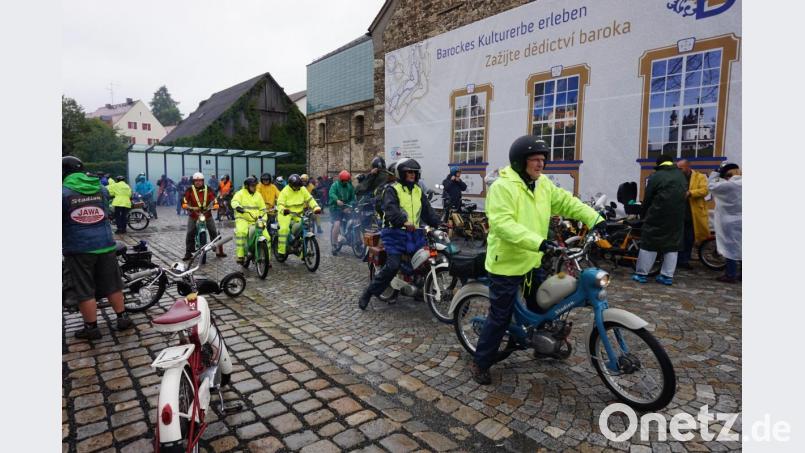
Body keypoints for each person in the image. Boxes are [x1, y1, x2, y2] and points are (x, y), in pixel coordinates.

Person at [469, 136, 605, 385]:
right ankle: (481, 362)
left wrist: (595, 219)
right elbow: (503, 225)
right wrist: (539, 242)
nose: (541, 165)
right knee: (500, 317)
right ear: (521, 162)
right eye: (535, 160)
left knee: (542, 307)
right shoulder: (502, 187)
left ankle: (540, 344)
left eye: (543, 160)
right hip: (506, 264)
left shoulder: (542, 184)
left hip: (532, 262)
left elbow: (567, 202)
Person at [62, 156, 133, 340]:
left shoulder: (63, 193)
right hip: (106, 245)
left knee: (84, 289)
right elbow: (106, 213)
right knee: (113, 285)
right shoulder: (100, 189)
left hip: (80, 249)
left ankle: (91, 328)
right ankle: (123, 318)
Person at [358, 158, 441, 309]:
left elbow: (427, 211)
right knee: (393, 265)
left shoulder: (418, 190)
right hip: (394, 233)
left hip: (415, 234)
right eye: (409, 172)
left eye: (414, 172)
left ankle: (421, 289)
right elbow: (390, 210)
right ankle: (368, 293)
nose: (412, 175)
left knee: (425, 261)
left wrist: (439, 223)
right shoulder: (392, 189)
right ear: (401, 173)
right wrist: (403, 221)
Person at [632, 154, 688, 285]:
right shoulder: (681, 175)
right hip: (677, 216)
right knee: (672, 245)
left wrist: (643, 213)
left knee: (649, 243)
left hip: (658, 214)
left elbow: (648, 197)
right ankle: (667, 276)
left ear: (659, 164)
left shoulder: (656, 176)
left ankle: (641, 274)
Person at [708, 162, 742, 283]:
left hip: (729, 221)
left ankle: (731, 274)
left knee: (730, 248)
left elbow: (710, 185)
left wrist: (716, 172)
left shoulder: (728, 186)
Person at [182, 172, 227, 260]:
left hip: (207, 214)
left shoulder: (209, 189)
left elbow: (215, 200)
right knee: (190, 232)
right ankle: (188, 252)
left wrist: (216, 206)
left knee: (213, 231)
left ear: (203, 181)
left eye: (200, 181)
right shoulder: (189, 190)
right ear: (193, 181)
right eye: (196, 181)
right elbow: (184, 202)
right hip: (194, 215)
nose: (198, 182)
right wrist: (188, 207)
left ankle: (218, 250)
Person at [676, 159, 710, 269]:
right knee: (679, 238)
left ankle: (684, 260)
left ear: (687, 167)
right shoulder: (677, 177)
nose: (678, 170)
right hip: (679, 211)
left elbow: (705, 190)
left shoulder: (700, 177)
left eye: (680, 168)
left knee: (689, 238)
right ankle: (677, 260)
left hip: (693, 213)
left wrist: (691, 193)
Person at [276, 174, 321, 256]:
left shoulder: (302, 189)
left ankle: (302, 253)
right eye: (295, 186)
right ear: (290, 185)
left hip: (298, 214)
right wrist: (284, 210)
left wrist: (316, 208)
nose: (297, 188)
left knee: (303, 228)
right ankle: (281, 251)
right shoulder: (285, 191)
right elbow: (280, 204)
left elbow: (310, 199)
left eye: (299, 186)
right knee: (284, 229)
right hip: (286, 214)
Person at [231, 177, 268, 264]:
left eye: (255, 186)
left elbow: (263, 209)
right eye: (252, 186)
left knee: (267, 236)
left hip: (256, 219)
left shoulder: (258, 195)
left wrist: (263, 219)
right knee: (241, 232)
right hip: (242, 218)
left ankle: (266, 259)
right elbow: (234, 201)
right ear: (247, 186)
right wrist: (237, 207)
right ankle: (240, 256)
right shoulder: (240, 193)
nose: (254, 187)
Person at [329, 170, 356, 255]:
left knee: (355, 220)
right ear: (340, 180)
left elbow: (353, 198)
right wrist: (337, 200)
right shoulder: (335, 185)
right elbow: (331, 193)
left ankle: (353, 237)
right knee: (337, 223)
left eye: (347, 180)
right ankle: (334, 244)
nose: (345, 182)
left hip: (346, 208)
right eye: (344, 180)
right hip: (335, 207)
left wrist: (349, 206)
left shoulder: (350, 186)